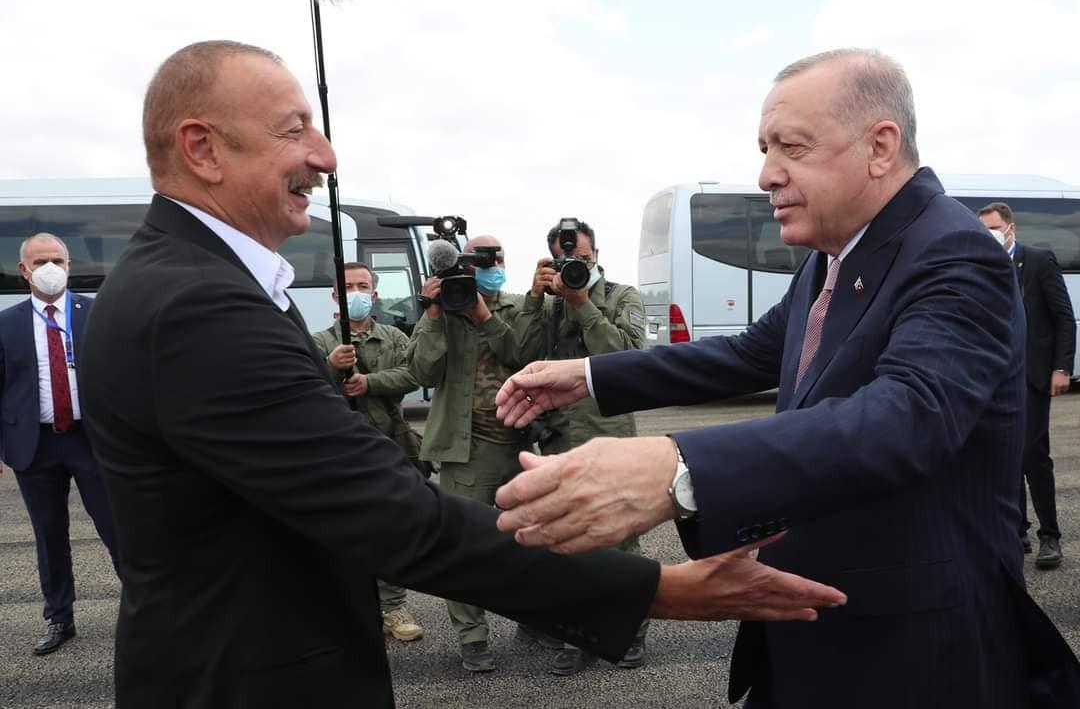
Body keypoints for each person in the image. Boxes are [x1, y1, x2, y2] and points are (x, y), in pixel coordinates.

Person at [78, 40, 844, 708]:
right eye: (293, 129)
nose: (325, 155)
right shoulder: (198, 306)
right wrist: (662, 589)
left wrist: (584, 372)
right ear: (203, 149)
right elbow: (397, 517)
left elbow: (737, 355)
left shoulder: (197, 282)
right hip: (247, 680)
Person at [494, 48, 1080, 708]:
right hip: (814, 623)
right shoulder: (835, 254)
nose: (767, 174)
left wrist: (677, 470)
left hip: (910, 647)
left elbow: (908, 414)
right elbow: (750, 353)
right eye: (765, 148)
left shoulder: (953, 249)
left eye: (791, 147)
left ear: (880, 146)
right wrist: (591, 374)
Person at [515, 219, 652, 675]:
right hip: (559, 437)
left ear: (597, 257)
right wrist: (535, 299)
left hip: (608, 433)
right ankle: (577, 634)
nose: (574, 267)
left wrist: (583, 303)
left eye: (583, 259)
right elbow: (521, 355)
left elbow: (626, 356)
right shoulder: (548, 303)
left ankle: (630, 630)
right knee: (565, 539)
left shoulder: (622, 296)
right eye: (564, 261)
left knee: (620, 537)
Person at [407, 234, 538, 672]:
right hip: (464, 449)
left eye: (495, 257)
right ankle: (472, 637)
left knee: (531, 542)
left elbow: (524, 356)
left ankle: (535, 618)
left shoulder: (519, 307)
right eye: (479, 260)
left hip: (518, 444)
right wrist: (432, 314)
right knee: (462, 546)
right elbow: (422, 372)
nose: (489, 265)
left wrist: (483, 315)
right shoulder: (444, 310)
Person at [0, 233, 119, 656]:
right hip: (35, 445)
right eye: (40, 262)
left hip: (91, 441)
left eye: (57, 260)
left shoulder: (98, 313)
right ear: (24, 270)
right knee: (49, 535)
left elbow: (124, 377)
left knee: (117, 528)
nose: (50, 268)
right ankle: (59, 617)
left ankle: (147, 610)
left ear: (69, 266)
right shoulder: (7, 324)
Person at [312, 261, 426, 642]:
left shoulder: (393, 337)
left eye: (363, 286)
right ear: (335, 295)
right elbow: (304, 385)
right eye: (348, 287)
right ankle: (348, 608)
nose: (356, 293)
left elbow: (414, 374)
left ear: (374, 295)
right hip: (339, 450)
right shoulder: (319, 342)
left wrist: (369, 382)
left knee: (390, 527)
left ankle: (393, 607)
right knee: (342, 529)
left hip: (388, 444)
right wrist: (331, 368)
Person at [979, 202, 1075, 569]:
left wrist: (1061, 367)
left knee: (1033, 454)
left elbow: (1064, 317)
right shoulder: (982, 266)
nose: (989, 235)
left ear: (1011, 228)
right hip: (995, 377)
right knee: (1005, 455)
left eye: (994, 228)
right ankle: (1016, 532)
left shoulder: (1037, 261)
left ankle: (1050, 535)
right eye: (983, 229)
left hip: (1031, 375)